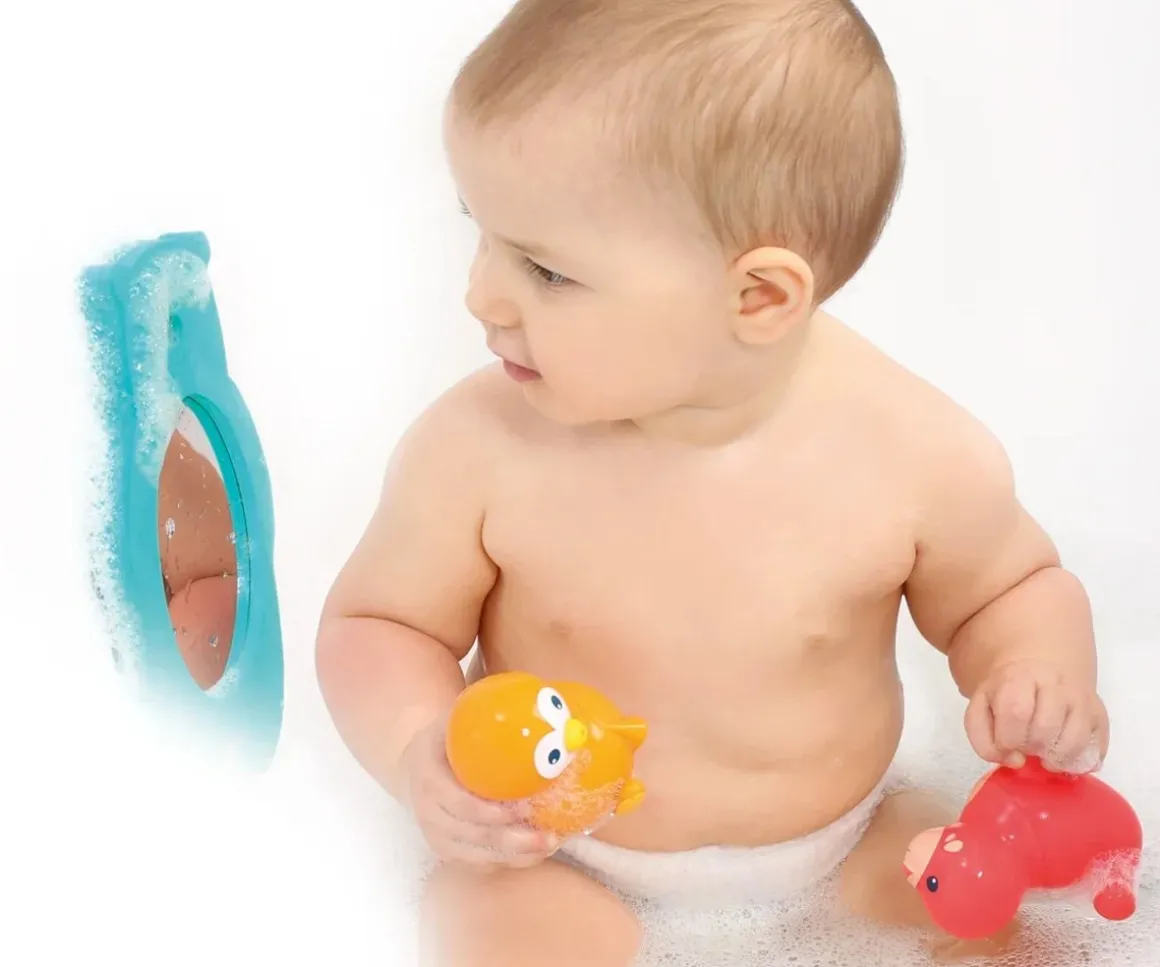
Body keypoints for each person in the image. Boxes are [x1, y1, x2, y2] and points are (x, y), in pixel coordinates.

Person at [316, 2, 1109, 964]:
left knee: (994, 929)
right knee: (510, 937)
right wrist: (417, 748)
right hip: (553, 852)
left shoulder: (911, 450)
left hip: (852, 836)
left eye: (546, 270)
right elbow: (380, 624)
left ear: (759, 296)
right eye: (480, 232)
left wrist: (1033, 672)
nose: (480, 293)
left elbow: (1008, 589)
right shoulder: (478, 448)